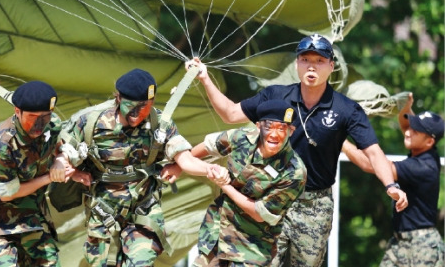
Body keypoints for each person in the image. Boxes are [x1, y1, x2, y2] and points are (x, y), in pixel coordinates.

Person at [186, 34, 408, 266]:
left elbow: (373, 152)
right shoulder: (276, 96)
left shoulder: (346, 109)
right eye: (305, 59)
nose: (312, 66)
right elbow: (230, 114)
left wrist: (390, 185)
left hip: (314, 205)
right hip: (271, 196)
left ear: (331, 66)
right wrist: (205, 78)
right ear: (297, 64)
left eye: (320, 60)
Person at [50, 68, 202, 267]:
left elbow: (184, 156)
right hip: (103, 212)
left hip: (143, 208)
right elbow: (61, 149)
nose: (139, 114)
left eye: (146, 107)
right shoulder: (90, 122)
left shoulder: (159, 123)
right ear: (119, 98)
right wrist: (69, 168)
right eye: (132, 106)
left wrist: (209, 170)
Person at [0, 81, 91, 266]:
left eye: (45, 116)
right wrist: (49, 177)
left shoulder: (52, 124)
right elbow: (7, 194)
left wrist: (63, 163)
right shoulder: (1, 145)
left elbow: (56, 146)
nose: (40, 124)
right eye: (33, 117)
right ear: (17, 111)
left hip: (31, 212)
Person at [184, 99, 307, 266]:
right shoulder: (241, 138)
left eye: (282, 128)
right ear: (258, 126)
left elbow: (259, 212)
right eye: (269, 127)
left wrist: (224, 184)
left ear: (291, 131)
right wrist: (179, 164)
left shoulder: (294, 171)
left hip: (251, 248)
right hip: (216, 236)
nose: (274, 134)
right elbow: (209, 145)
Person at [342, 93, 444, 267]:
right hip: (400, 241)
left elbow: (370, 164)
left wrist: (340, 140)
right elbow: (406, 125)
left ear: (429, 142)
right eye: (411, 126)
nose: (408, 132)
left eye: (416, 130)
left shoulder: (423, 167)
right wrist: (406, 107)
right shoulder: (424, 151)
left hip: (422, 245)